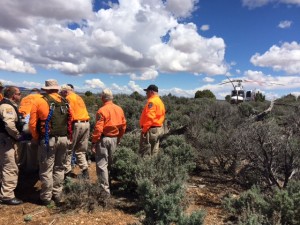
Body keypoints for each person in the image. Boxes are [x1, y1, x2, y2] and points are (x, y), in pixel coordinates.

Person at [29, 79, 72, 206]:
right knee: (59, 167)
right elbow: (71, 119)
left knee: (46, 169)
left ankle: (46, 198)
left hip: (48, 140)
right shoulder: (65, 101)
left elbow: (32, 124)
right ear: (57, 88)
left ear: (45, 89)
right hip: (64, 139)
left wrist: (36, 137)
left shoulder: (39, 101)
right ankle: (57, 195)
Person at [91, 89, 126, 196]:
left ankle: (104, 192)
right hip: (114, 139)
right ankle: (109, 185)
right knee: (110, 163)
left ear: (102, 98)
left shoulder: (102, 110)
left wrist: (94, 141)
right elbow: (123, 126)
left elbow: (98, 128)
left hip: (103, 139)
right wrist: (119, 137)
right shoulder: (119, 109)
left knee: (102, 165)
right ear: (112, 98)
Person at [60, 84, 90, 178]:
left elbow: (68, 114)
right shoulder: (78, 97)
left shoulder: (68, 98)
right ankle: (85, 171)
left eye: (61, 92)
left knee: (68, 149)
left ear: (65, 91)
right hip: (86, 123)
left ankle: (67, 173)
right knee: (81, 150)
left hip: (76, 124)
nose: (61, 94)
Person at [0, 86, 23, 205]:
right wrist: (17, 135)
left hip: (4, 139)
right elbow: (9, 124)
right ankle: (7, 196)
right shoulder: (7, 106)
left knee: (4, 165)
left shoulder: (5, 104)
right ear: (13, 95)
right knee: (10, 167)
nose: (20, 95)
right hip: (7, 140)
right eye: (19, 93)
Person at [18, 88, 42, 172]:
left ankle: (21, 163)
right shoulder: (40, 98)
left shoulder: (24, 98)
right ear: (38, 93)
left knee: (22, 144)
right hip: (32, 123)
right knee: (32, 146)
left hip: (22, 122)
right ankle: (32, 167)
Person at [139, 84, 166, 157]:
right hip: (158, 129)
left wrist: (144, 130)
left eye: (147, 92)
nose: (146, 94)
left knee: (145, 152)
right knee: (154, 152)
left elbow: (150, 117)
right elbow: (163, 115)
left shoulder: (152, 102)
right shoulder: (160, 101)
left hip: (151, 130)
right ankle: (153, 167)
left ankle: (145, 167)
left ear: (151, 92)